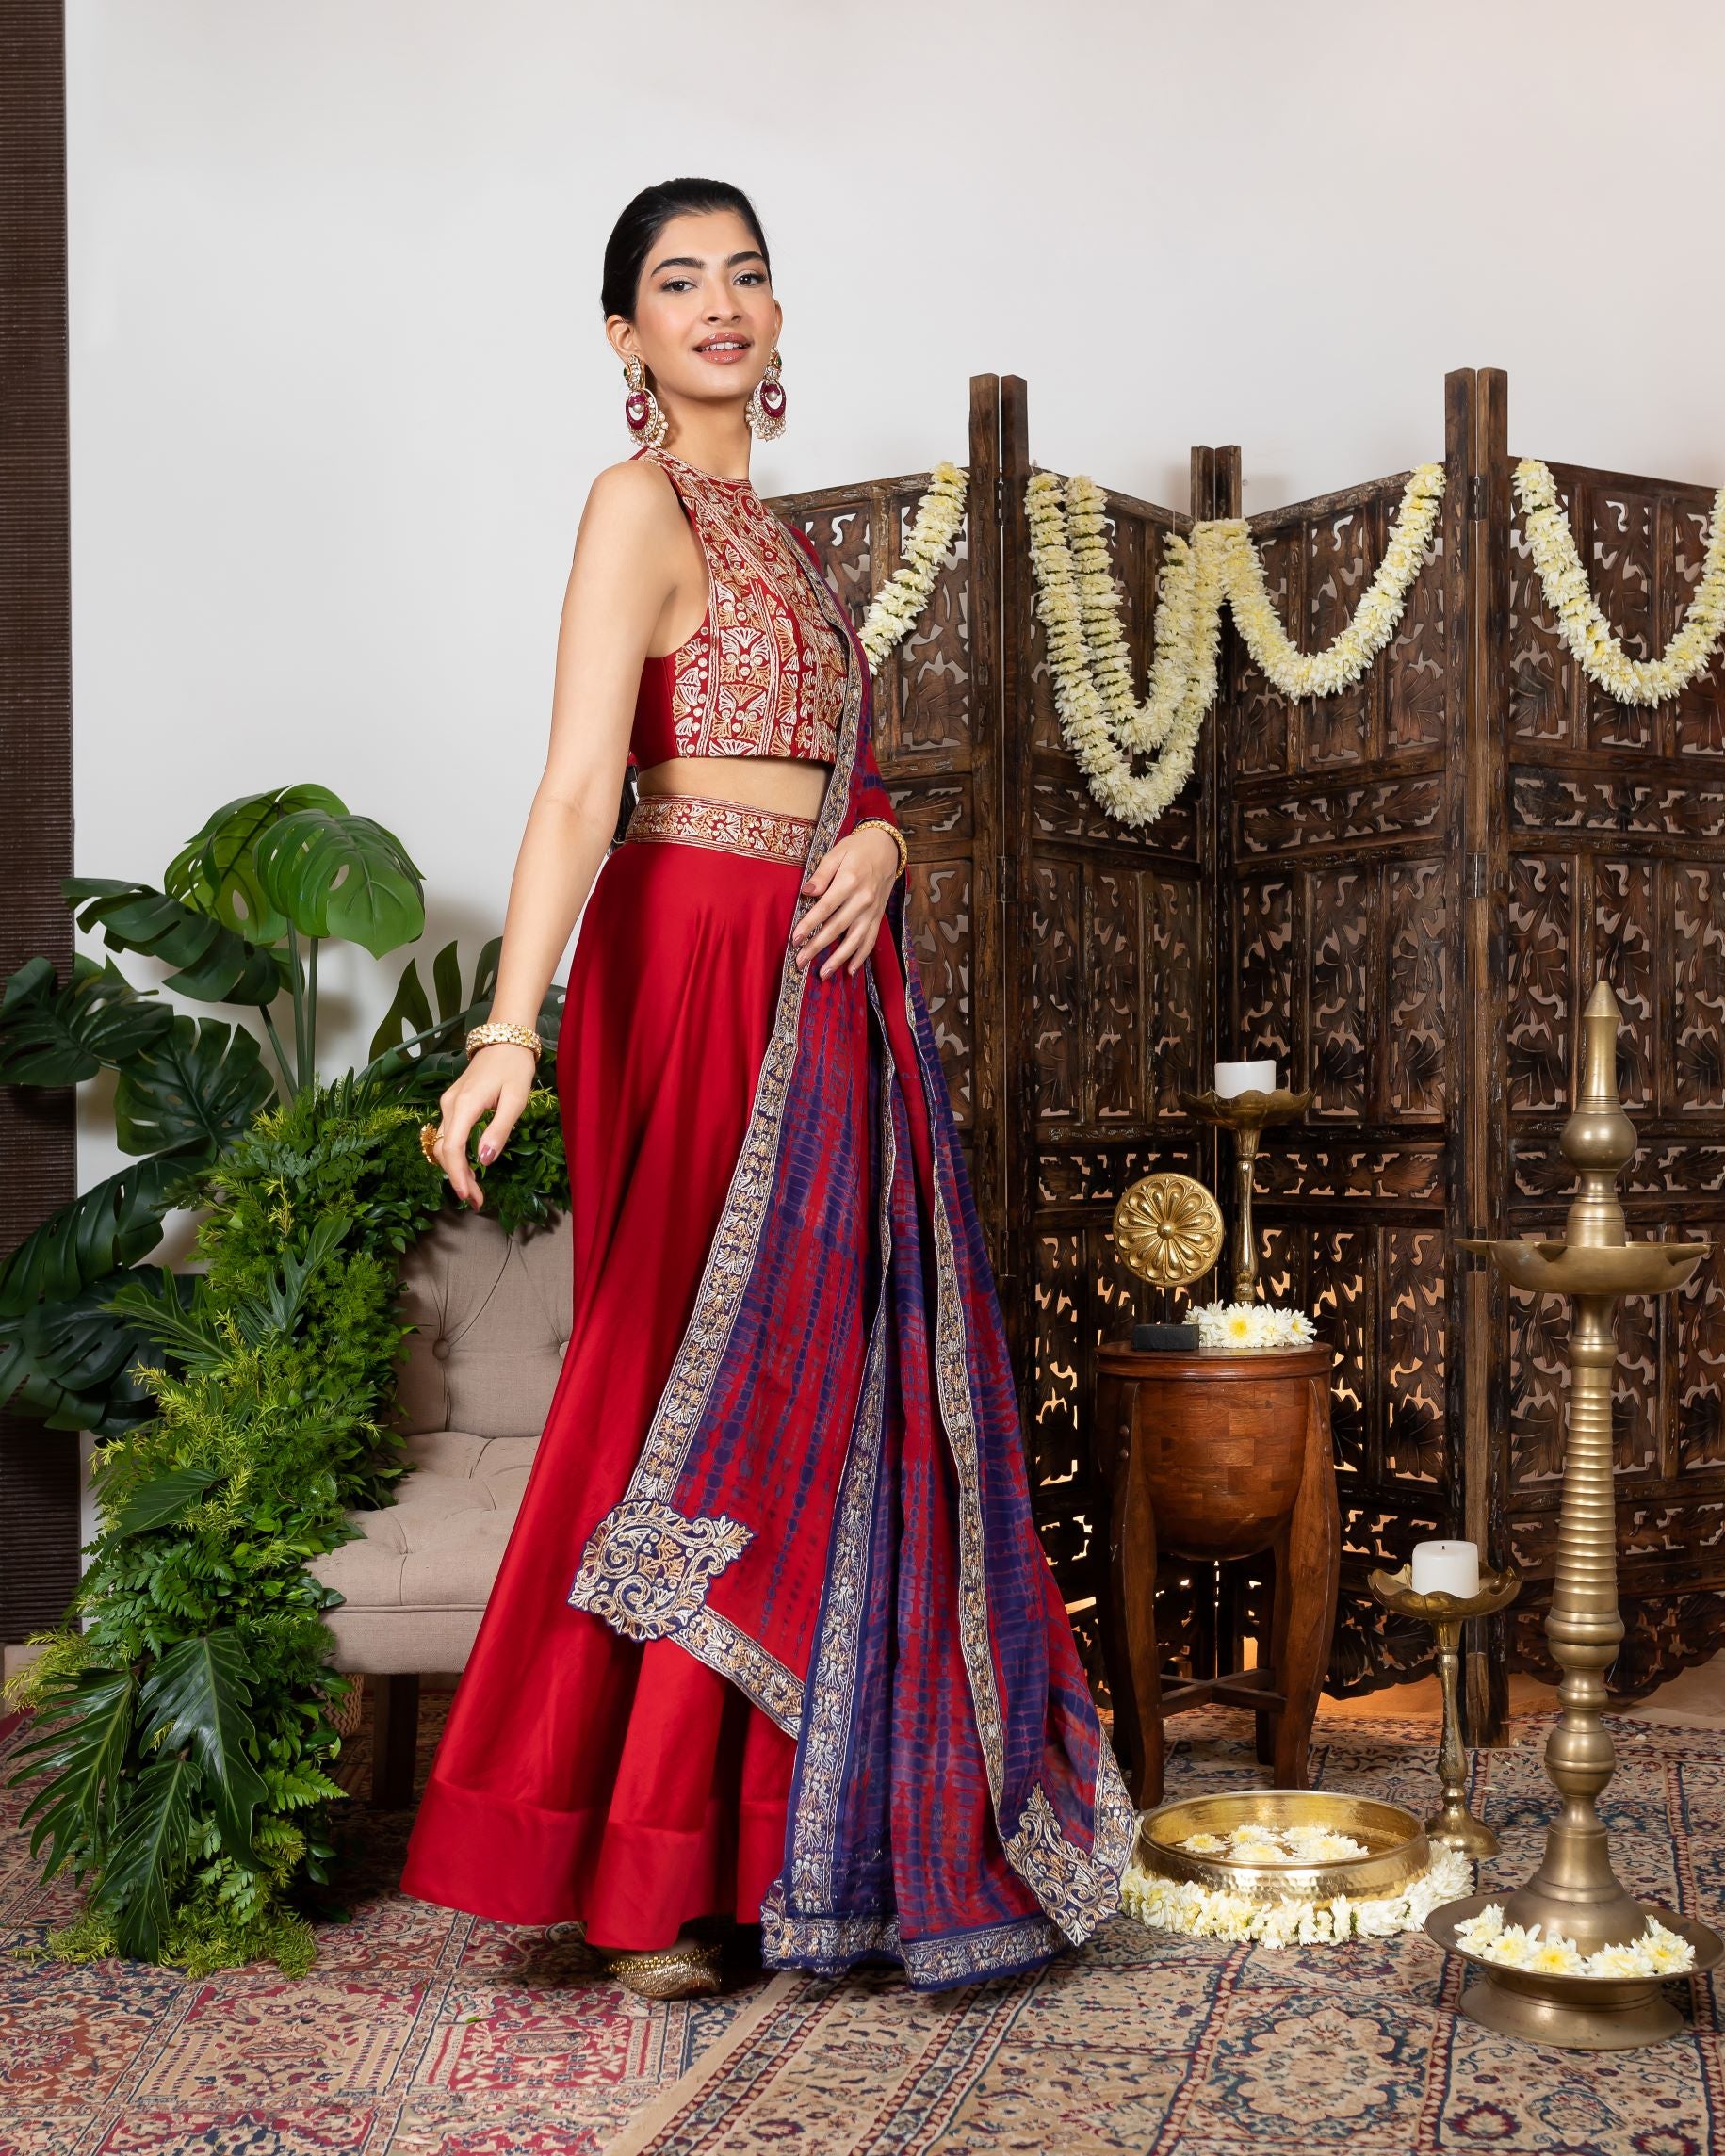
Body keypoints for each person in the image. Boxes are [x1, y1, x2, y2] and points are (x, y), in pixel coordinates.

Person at [399, 177, 1131, 1999]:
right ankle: (637, 1872)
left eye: (746, 275)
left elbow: (832, 781)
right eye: (677, 280)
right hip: (689, 967)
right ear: (624, 335)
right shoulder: (635, 505)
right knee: (674, 1380)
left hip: (818, 976)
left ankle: (757, 1847)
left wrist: (880, 844)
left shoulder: (798, 548)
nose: (720, 304)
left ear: (779, 319)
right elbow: (581, 786)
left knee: (815, 1399)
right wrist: (510, 1029)